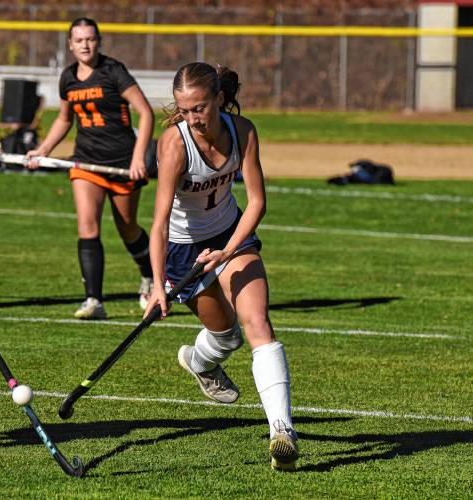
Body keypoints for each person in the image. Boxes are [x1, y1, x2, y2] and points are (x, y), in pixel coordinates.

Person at [143, 62, 299, 471]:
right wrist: (158, 285)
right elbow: (158, 222)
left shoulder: (242, 131)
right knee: (225, 335)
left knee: (258, 323)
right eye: (184, 110)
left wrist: (228, 251)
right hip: (182, 250)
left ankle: (281, 431)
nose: (193, 118)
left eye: (199, 108)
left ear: (218, 100)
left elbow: (258, 202)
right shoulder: (174, 144)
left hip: (231, 234)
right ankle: (199, 361)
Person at [26, 17, 155, 320]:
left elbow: (145, 113)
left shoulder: (113, 71)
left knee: (128, 228)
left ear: (98, 41)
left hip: (122, 162)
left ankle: (150, 277)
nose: (85, 45)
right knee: (87, 226)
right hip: (86, 162)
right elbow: (64, 119)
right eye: (79, 40)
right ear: (70, 44)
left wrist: (139, 158)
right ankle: (94, 300)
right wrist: (43, 150)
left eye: (91, 39)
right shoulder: (68, 77)